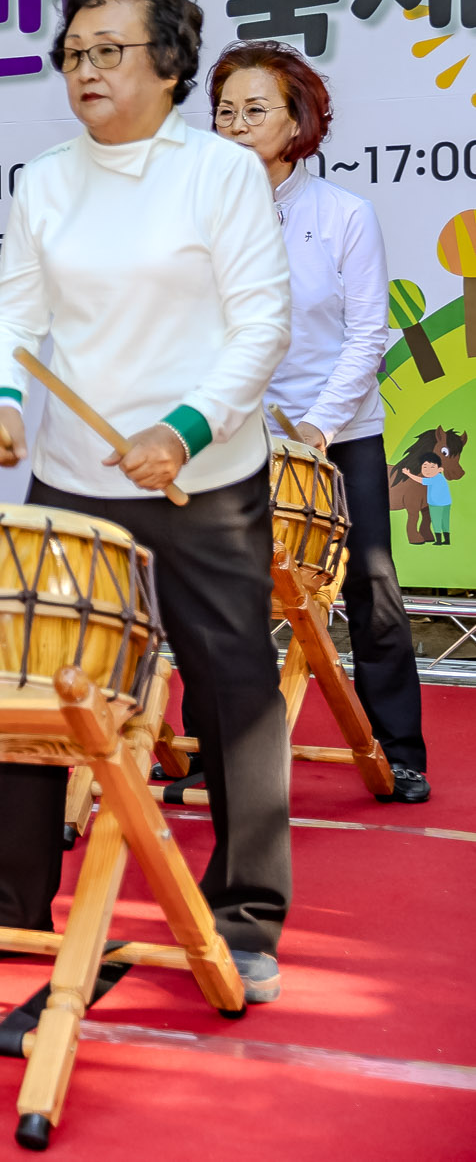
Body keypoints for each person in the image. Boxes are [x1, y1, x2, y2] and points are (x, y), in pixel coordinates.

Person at [0, 0, 290, 1003]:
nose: (85, 67)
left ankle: (243, 913)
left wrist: (185, 425)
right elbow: (13, 318)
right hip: (72, 475)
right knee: (35, 688)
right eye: (73, 51)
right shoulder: (44, 181)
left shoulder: (220, 173)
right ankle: (9, 896)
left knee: (234, 687)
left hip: (204, 475)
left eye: (108, 49)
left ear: (167, 63)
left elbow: (260, 328)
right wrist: (3, 397)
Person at [209, 42, 428, 804]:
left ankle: (398, 749)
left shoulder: (344, 215)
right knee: (223, 595)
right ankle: (218, 752)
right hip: (237, 437)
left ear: (298, 120)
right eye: (224, 111)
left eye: (254, 110)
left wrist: (316, 427)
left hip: (339, 432)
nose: (236, 125)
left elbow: (369, 334)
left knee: (370, 585)